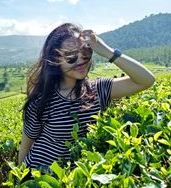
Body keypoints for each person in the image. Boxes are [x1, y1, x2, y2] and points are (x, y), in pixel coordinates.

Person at [18, 23, 155, 170]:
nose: (81, 60)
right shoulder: (41, 101)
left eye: (86, 51)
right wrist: (19, 183)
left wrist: (107, 51)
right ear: (55, 58)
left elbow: (146, 80)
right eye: (71, 55)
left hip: (74, 181)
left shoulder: (97, 90)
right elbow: (26, 145)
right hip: (39, 177)